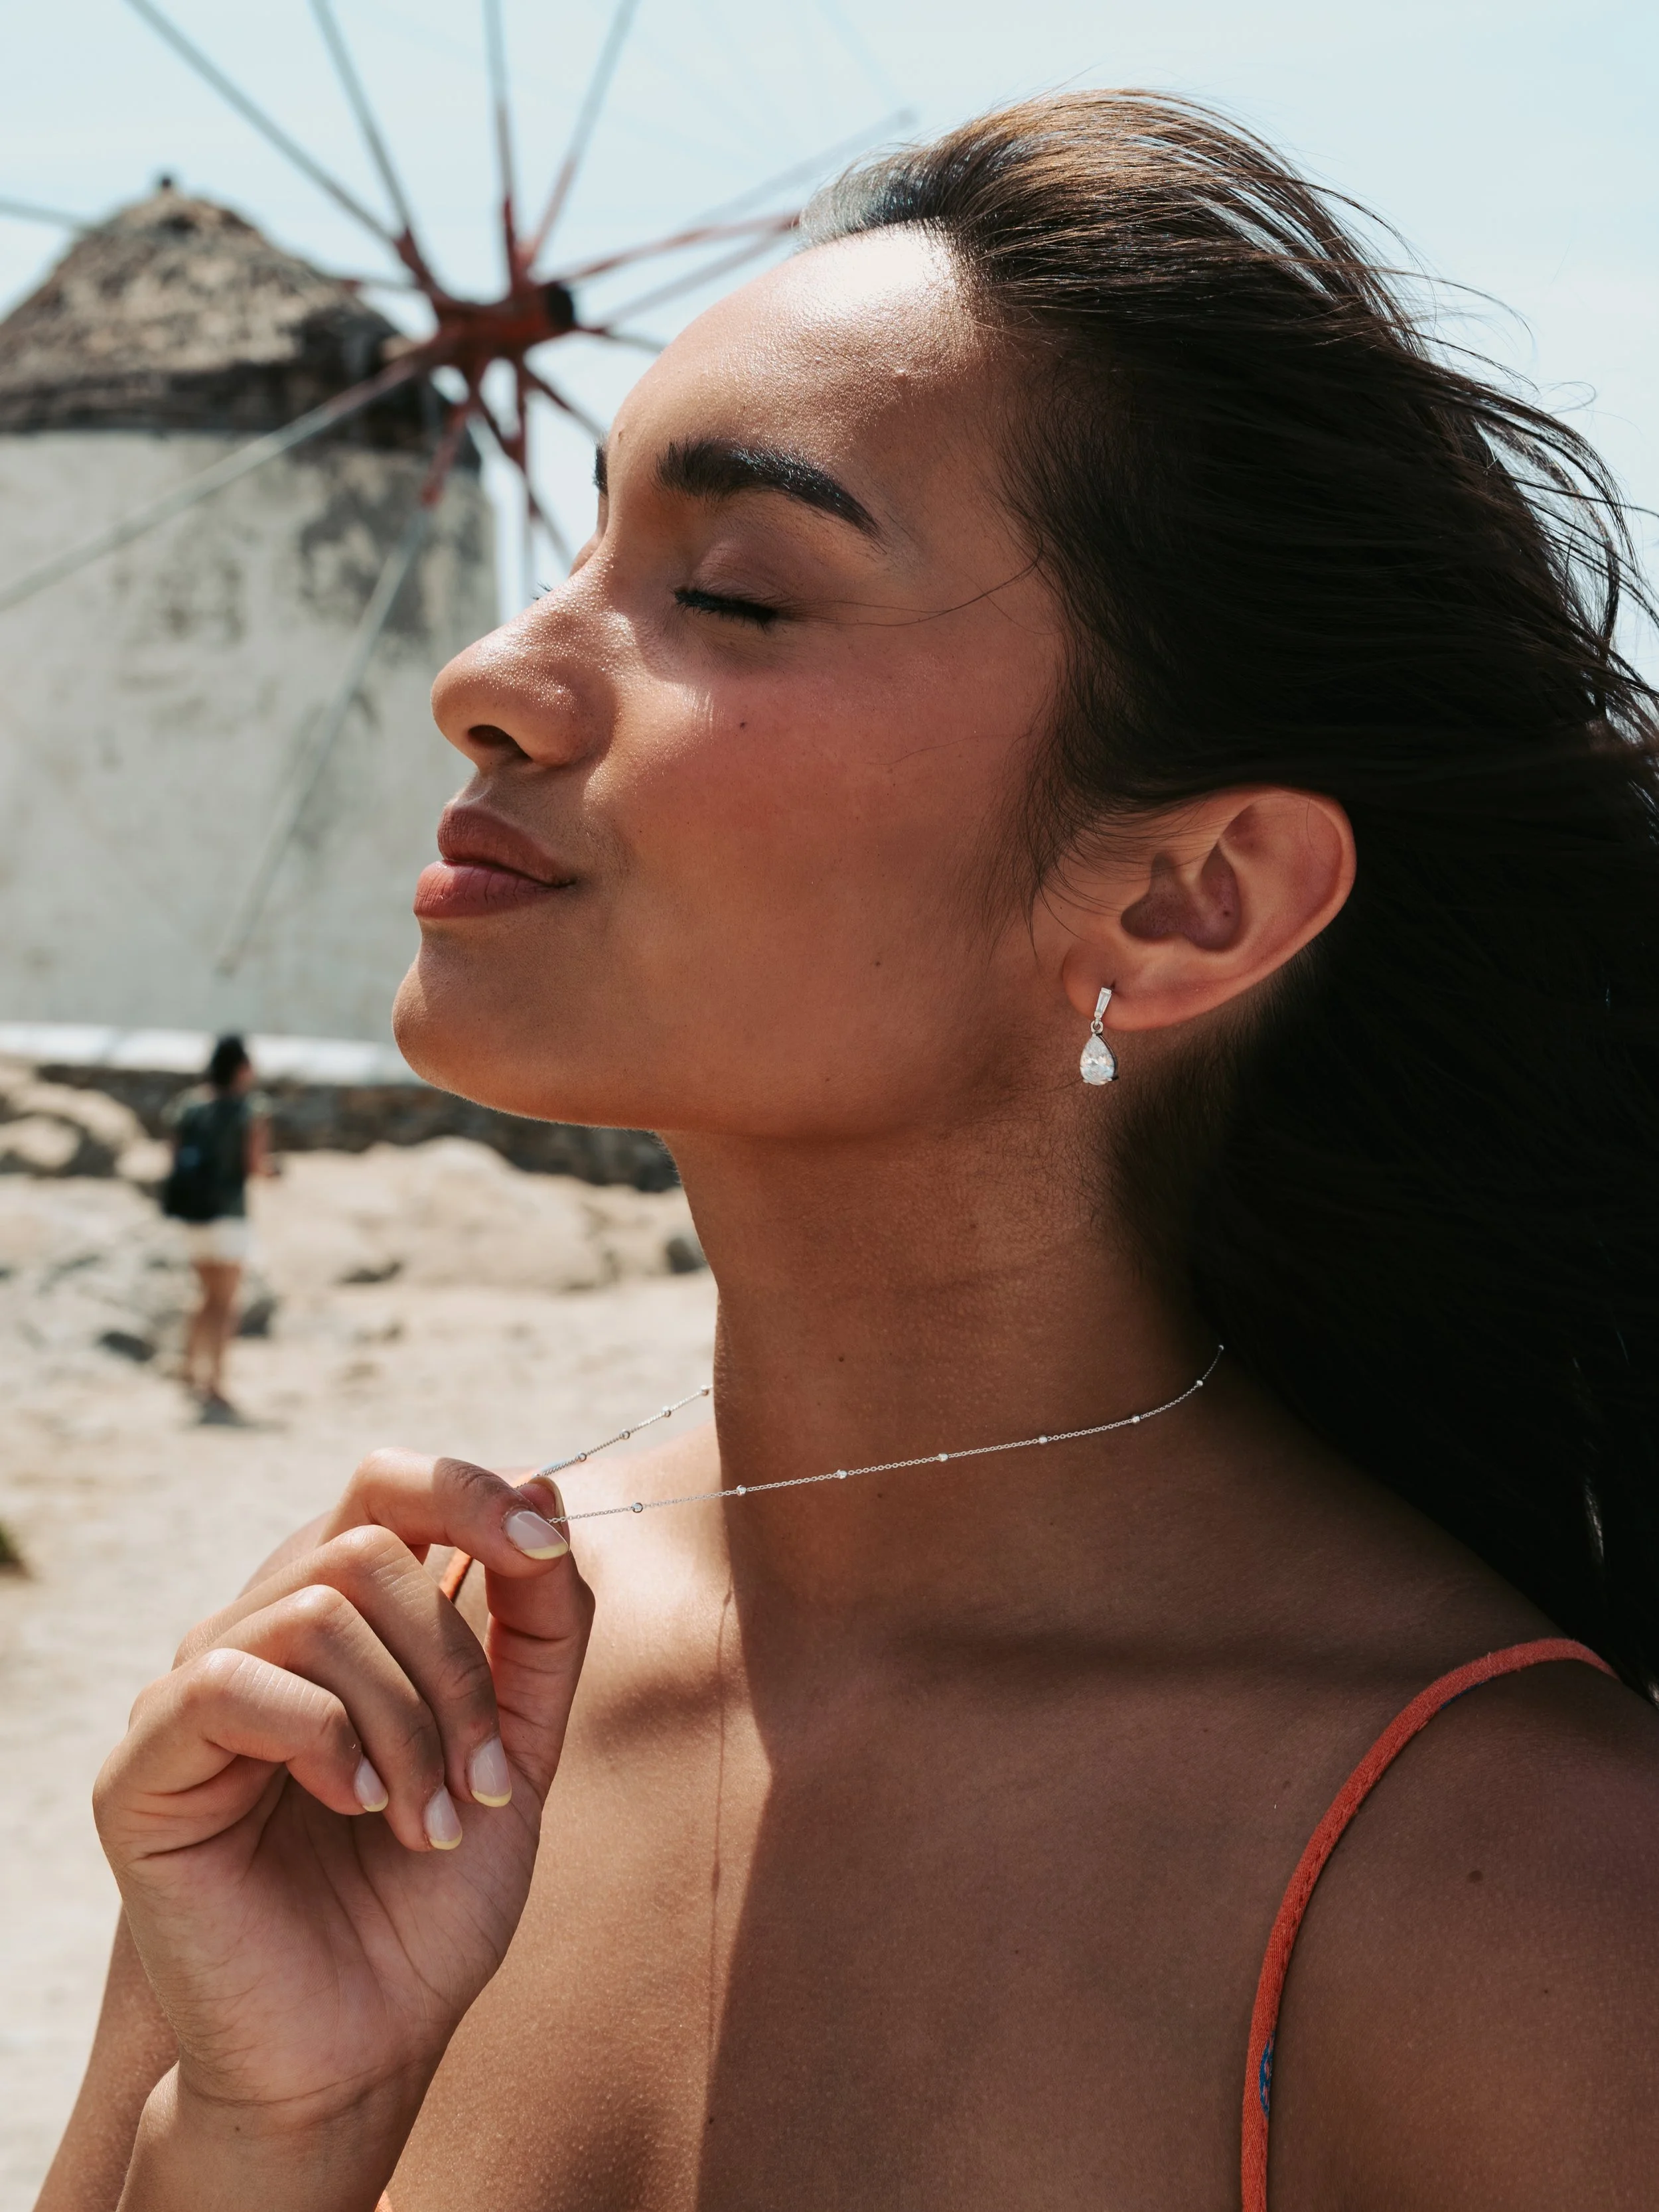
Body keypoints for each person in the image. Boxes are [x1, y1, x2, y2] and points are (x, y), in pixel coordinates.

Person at [42, 94, 1659, 2212]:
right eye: (582, 548)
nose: (489, 680)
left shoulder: (1510, 1909)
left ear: (1187, 900)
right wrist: (267, 2136)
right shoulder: (399, 1706)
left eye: (729, 593)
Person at [164, 1034, 271, 1422]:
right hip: (228, 1213)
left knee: (205, 1295)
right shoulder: (249, 1109)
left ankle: (189, 1369)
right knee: (226, 1303)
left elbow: (174, 1157)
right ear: (242, 1067)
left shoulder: (189, 1106)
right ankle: (216, 1383)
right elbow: (255, 1164)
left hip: (193, 1213)